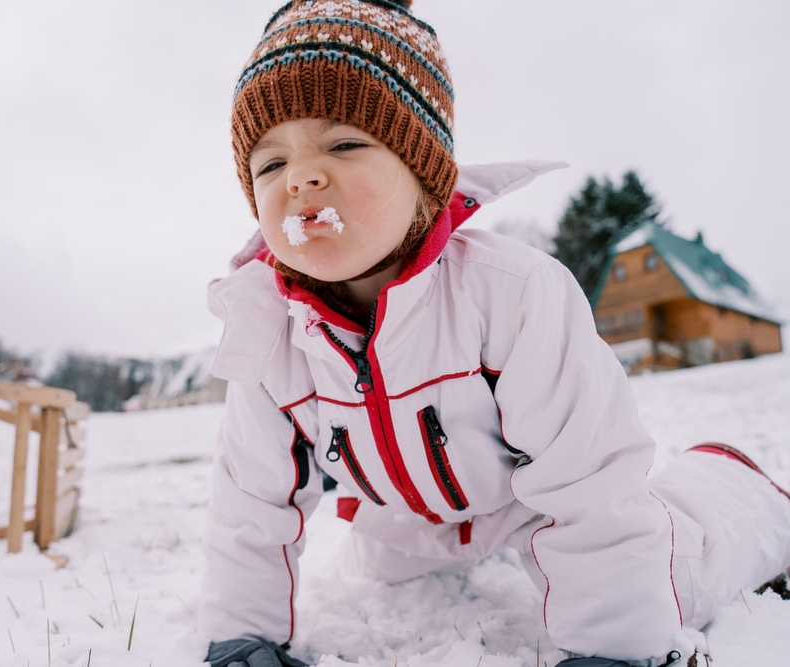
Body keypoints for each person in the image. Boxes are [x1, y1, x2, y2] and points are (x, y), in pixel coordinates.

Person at [198, 2, 790, 666]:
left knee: (663, 580)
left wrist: (614, 647)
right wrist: (240, 638)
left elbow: (587, 482)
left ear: (423, 170)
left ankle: (736, 488)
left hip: (525, 503)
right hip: (402, 522)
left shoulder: (513, 294)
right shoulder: (267, 334)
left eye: (344, 143)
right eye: (269, 164)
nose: (301, 176)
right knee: (383, 577)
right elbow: (251, 504)